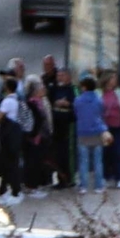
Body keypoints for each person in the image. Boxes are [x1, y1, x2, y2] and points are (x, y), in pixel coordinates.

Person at [43, 56, 76, 190]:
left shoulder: (72, 90)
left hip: (68, 127)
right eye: (58, 75)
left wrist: (68, 104)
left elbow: (77, 105)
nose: (60, 78)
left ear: (68, 77)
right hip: (55, 127)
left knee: (66, 154)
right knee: (55, 154)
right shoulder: (54, 89)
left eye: (62, 75)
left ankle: (69, 179)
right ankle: (59, 179)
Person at [0, 76, 28, 199]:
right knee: (13, 161)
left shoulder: (7, 101)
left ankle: (13, 188)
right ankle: (6, 187)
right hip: (16, 134)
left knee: (8, 162)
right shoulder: (18, 100)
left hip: (8, 136)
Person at [97, 70, 120, 189]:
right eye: (113, 78)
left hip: (118, 128)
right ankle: (105, 176)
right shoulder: (98, 93)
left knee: (119, 153)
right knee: (105, 153)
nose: (115, 80)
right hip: (104, 128)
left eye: (115, 78)